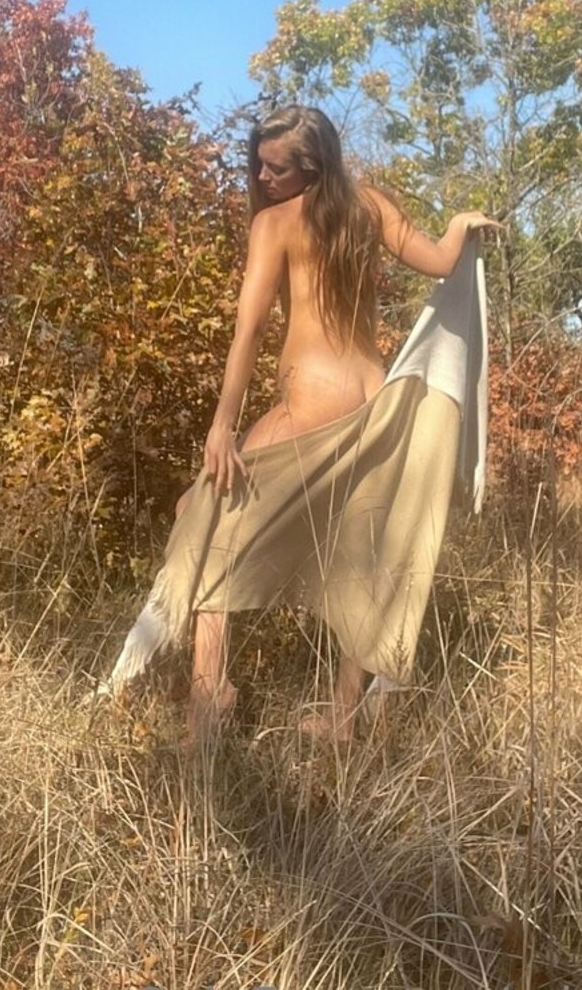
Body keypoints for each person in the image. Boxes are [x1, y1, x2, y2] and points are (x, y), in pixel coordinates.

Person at [178, 104, 497, 741]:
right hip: (375, 404)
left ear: (312, 166)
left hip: (312, 404)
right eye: (259, 166)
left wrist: (223, 423)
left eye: (276, 168)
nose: (263, 178)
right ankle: (344, 717)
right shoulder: (368, 205)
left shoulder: (274, 223)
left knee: (202, 514)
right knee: (365, 555)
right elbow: (440, 262)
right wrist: (459, 225)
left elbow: (248, 330)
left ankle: (211, 693)